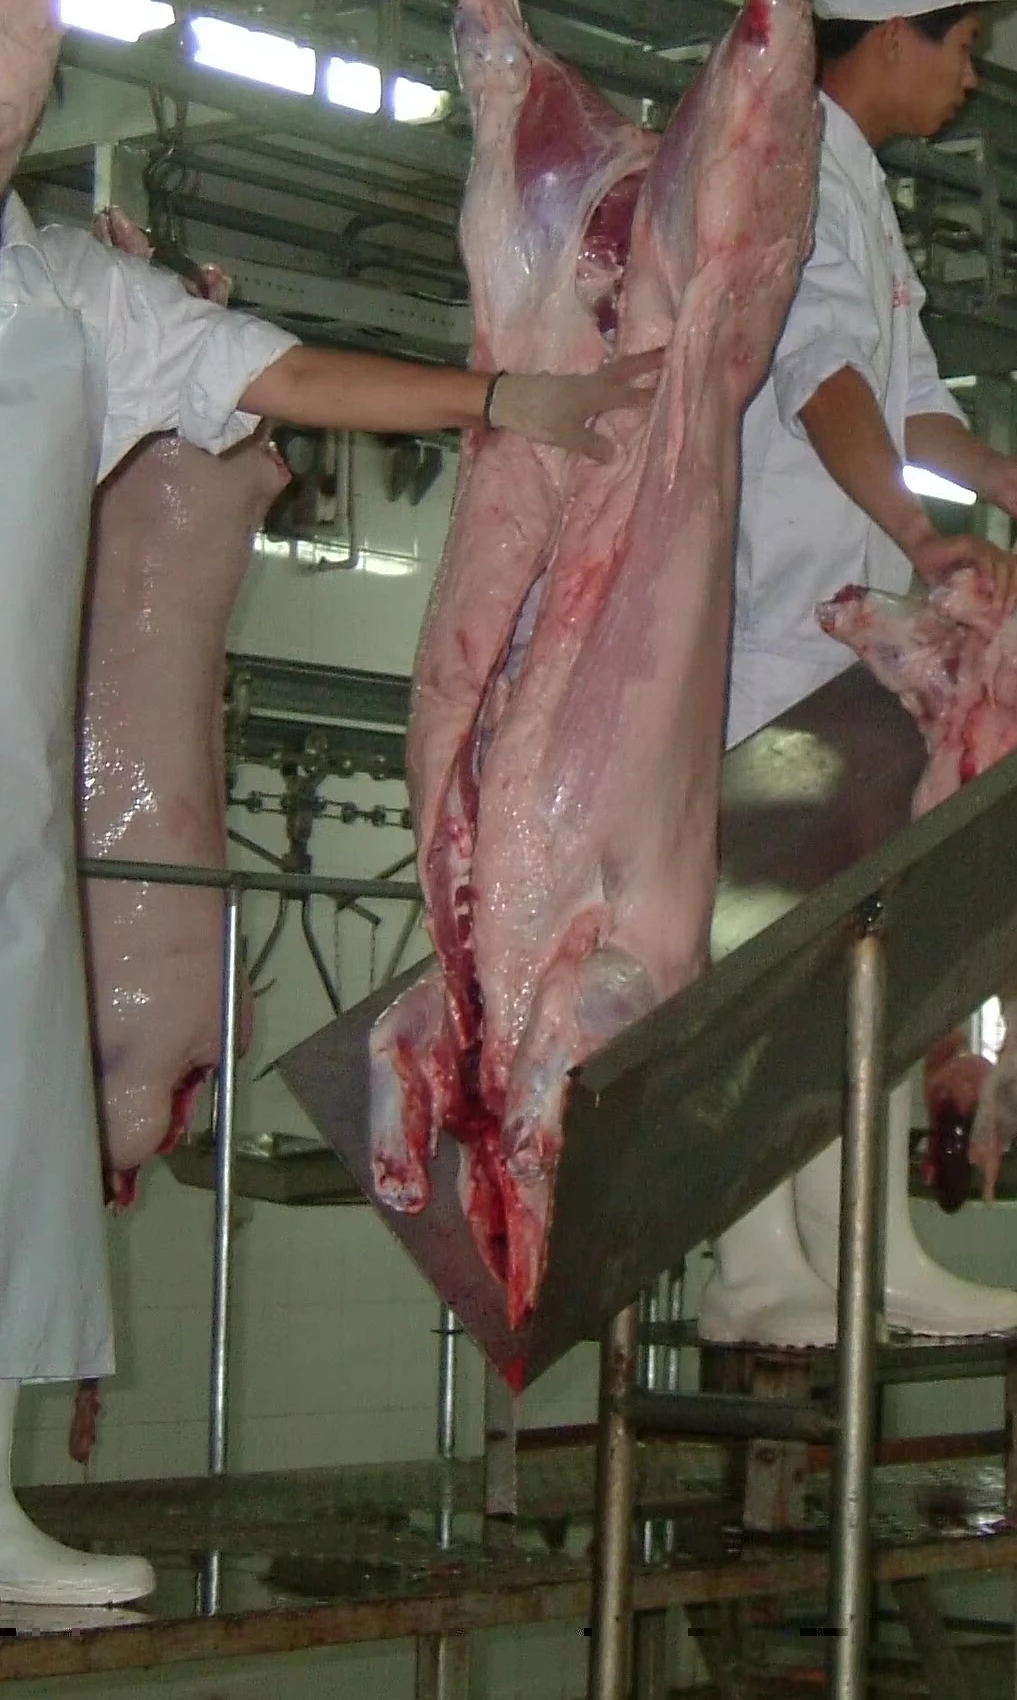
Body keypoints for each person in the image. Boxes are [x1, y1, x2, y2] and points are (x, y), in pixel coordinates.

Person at [0, 191, 657, 1605]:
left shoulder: (61, 287)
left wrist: (507, 397)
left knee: (3, 1147)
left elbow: (286, 375)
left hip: (10, 810)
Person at [700, 0, 1017, 1348]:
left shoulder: (856, 181)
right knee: (777, 958)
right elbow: (820, 382)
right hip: (779, 624)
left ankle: (850, 1254)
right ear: (896, 40)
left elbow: (902, 387)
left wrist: (994, 475)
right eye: (963, 46)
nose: (971, 76)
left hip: (837, 624)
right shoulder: (797, 164)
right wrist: (922, 529)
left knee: (833, 949)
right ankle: (760, 1267)